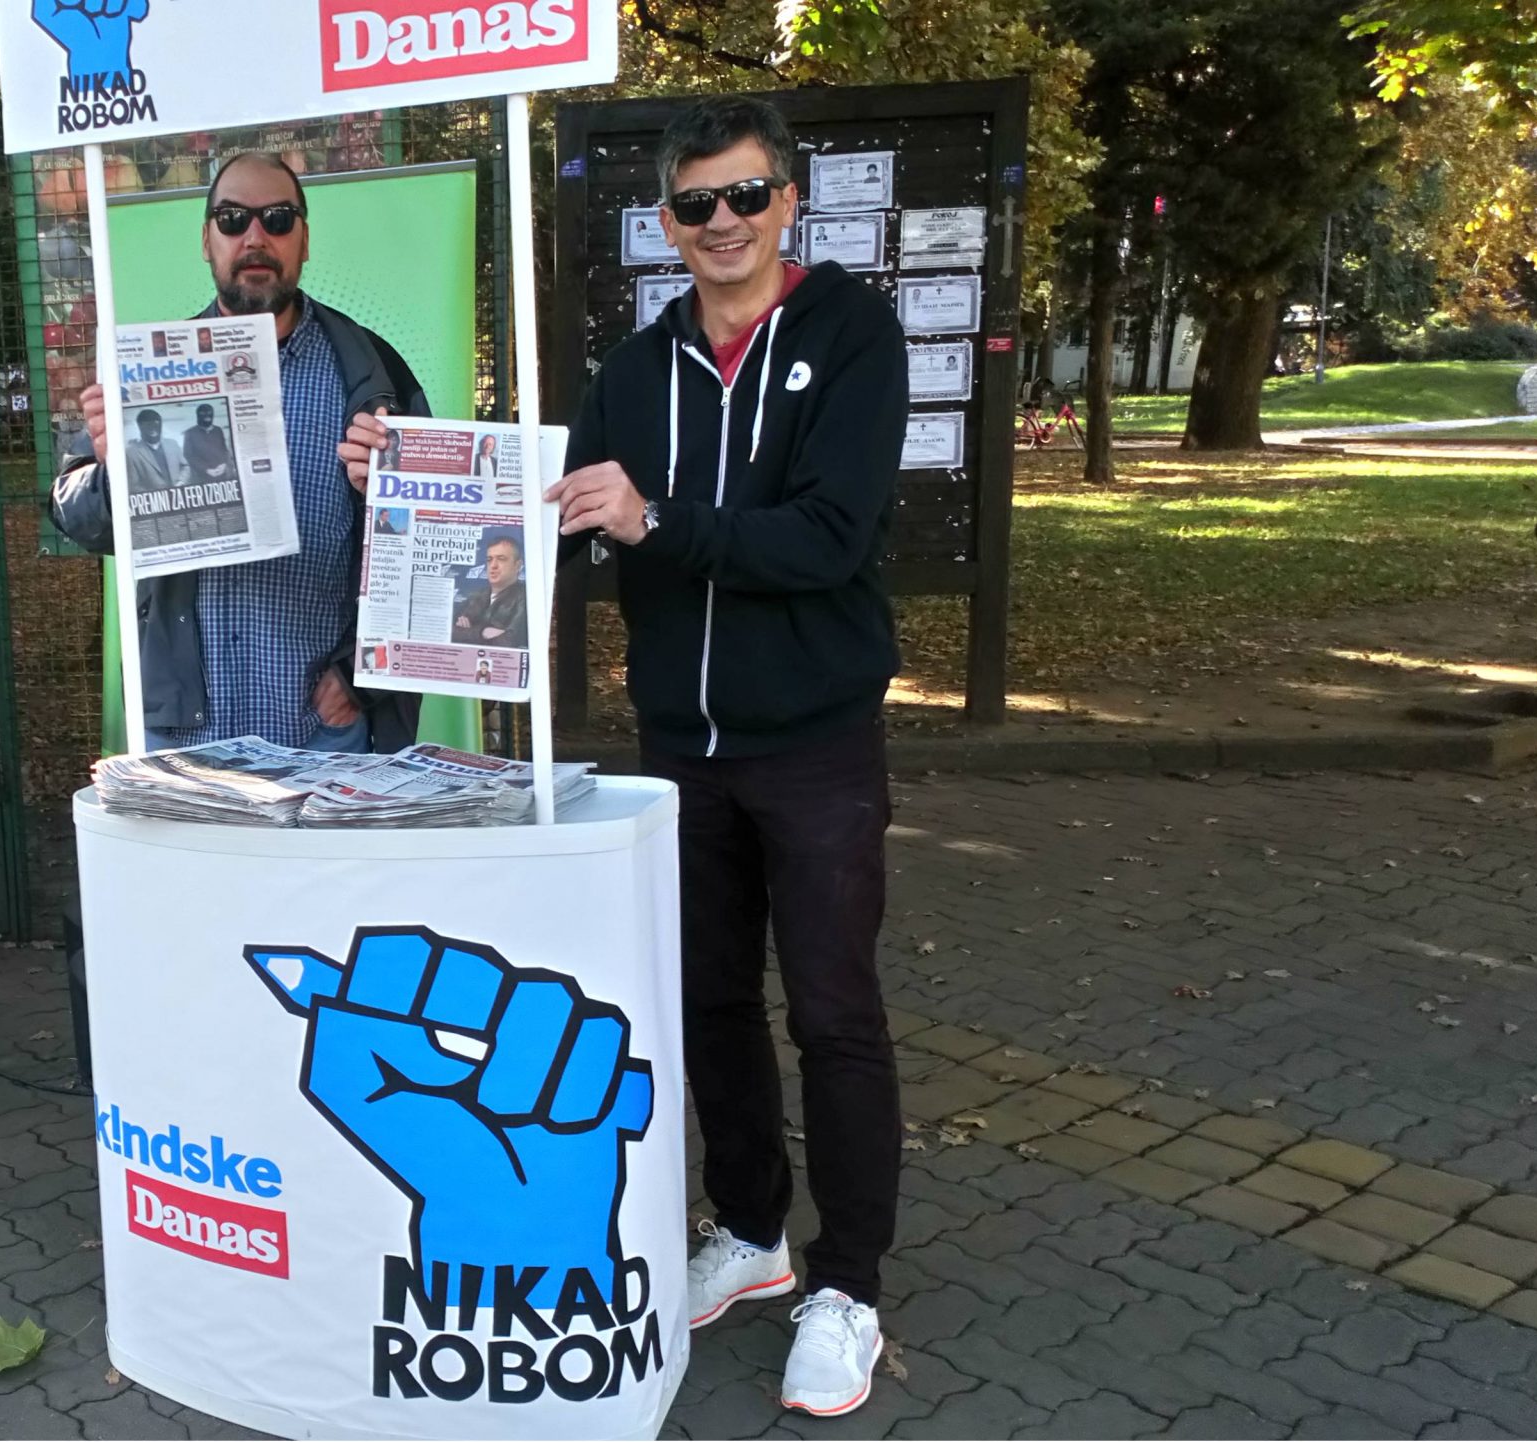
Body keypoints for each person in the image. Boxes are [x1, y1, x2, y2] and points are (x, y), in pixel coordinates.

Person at [543, 96, 910, 1418]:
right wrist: (417, 483)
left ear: (790, 203)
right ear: (666, 223)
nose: (724, 224)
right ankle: (751, 1230)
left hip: (813, 742)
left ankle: (849, 1281)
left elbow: (826, 538)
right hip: (679, 749)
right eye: (697, 205)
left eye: (746, 197)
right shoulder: (633, 372)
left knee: (833, 1012)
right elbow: (574, 520)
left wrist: (663, 523)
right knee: (707, 1005)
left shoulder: (852, 338)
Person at [50, 152, 429, 752]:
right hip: (185, 732)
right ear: (206, 240)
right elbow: (79, 518)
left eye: (277, 219)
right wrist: (112, 472)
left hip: (319, 731)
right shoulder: (155, 369)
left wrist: (358, 679)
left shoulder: (371, 371)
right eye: (231, 219)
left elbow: (427, 553)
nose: (254, 236)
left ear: (305, 239)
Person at [452, 534, 526, 648]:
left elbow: (510, 641)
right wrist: (483, 632)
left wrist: (468, 632)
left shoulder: (526, 599)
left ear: (518, 565)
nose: (493, 565)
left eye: (501, 559)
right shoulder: (475, 597)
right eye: (489, 560)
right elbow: (450, 632)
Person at [126, 409, 183, 495]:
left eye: (155, 424)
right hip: (154, 502)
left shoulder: (172, 444)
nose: (152, 429)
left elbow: (185, 466)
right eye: (147, 425)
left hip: (180, 497)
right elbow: (133, 485)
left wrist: (181, 481)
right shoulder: (131, 453)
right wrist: (155, 496)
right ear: (139, 427)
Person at [181, 403, 232, 487]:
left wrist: (223, 464)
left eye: (209, 415)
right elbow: (188, 455)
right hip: (201, 478)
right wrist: (206, 470)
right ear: (198, 416)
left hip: (221, 476)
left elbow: (224, 450)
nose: (207, 418)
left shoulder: (218, 430)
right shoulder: (190, 433)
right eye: (203, 415)